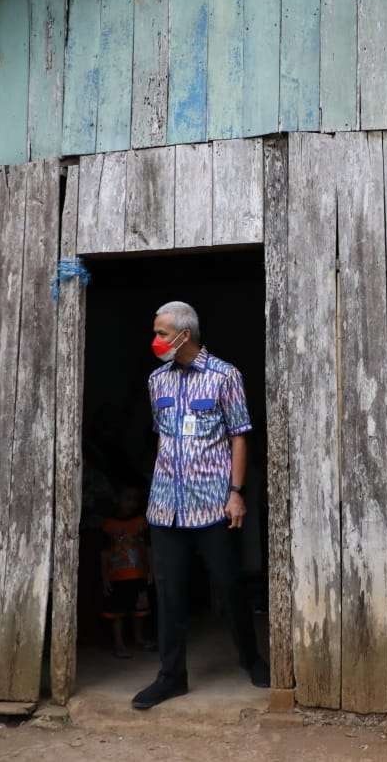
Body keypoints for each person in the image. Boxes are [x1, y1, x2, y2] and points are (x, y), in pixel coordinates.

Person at [132, 300, 270, 710]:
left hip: (212, 505)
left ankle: (251, 658)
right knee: (170, 594)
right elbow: (162, 437)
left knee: (229, 588)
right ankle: (171, 677)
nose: (155, 340)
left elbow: (239, 436)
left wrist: (236, 493)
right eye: (155, 333)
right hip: (165, 508)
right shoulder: (157, 380)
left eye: (161, 333)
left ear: (184, 335)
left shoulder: (225, 376)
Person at [100, 486, 156, 658]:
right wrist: (105, 576)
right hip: (117, 577)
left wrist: (151, 570)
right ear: (118, 499)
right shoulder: (108, 525)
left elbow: (148, 548)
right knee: (118, 612)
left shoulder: (141, 522)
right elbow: (104, 552)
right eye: (127, 499)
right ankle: (119, 644)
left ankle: (139, 640)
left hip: (138, 574)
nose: (131, 503)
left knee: (139, 610)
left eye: (135, 499)